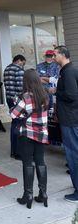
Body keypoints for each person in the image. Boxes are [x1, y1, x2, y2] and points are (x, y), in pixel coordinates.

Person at [10, 69, 49, 209]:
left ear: (25, 81)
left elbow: (14, 115)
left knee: (27, 163)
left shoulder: (25, 97)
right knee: (40, 162)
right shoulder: (45, 94)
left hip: (27, 134)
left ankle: (28, 195)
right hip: (41, 134)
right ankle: (43, 193)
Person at [54, 45, 78, 203]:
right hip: (71, 117)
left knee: (73, 154)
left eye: (55, 54)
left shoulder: (68, 72)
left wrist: (56, 92)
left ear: (63, 55)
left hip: (70, 119)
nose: (53, 56)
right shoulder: (70, 70)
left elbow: (71, 95)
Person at [3, 54, 26, 159]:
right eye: (23, 62)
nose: (23, 65)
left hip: (9, 98)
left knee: (14, 122)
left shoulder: (6, 69)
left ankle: (14, 150)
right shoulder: (19, 70)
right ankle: (18, 151)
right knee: (19, 124)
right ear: (19, 60)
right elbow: (22, 87)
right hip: (18, 100)